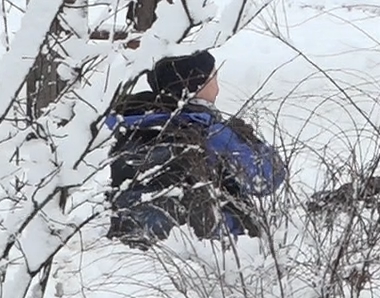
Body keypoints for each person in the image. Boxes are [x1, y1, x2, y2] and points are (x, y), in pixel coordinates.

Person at [105, 50, 288, 249]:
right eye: (213, 76)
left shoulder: (131, 122)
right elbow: (265, 180)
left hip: (131, 237)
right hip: (204, 247)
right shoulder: (208, 130)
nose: (217, 85)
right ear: (197, 86)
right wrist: (248, 141)